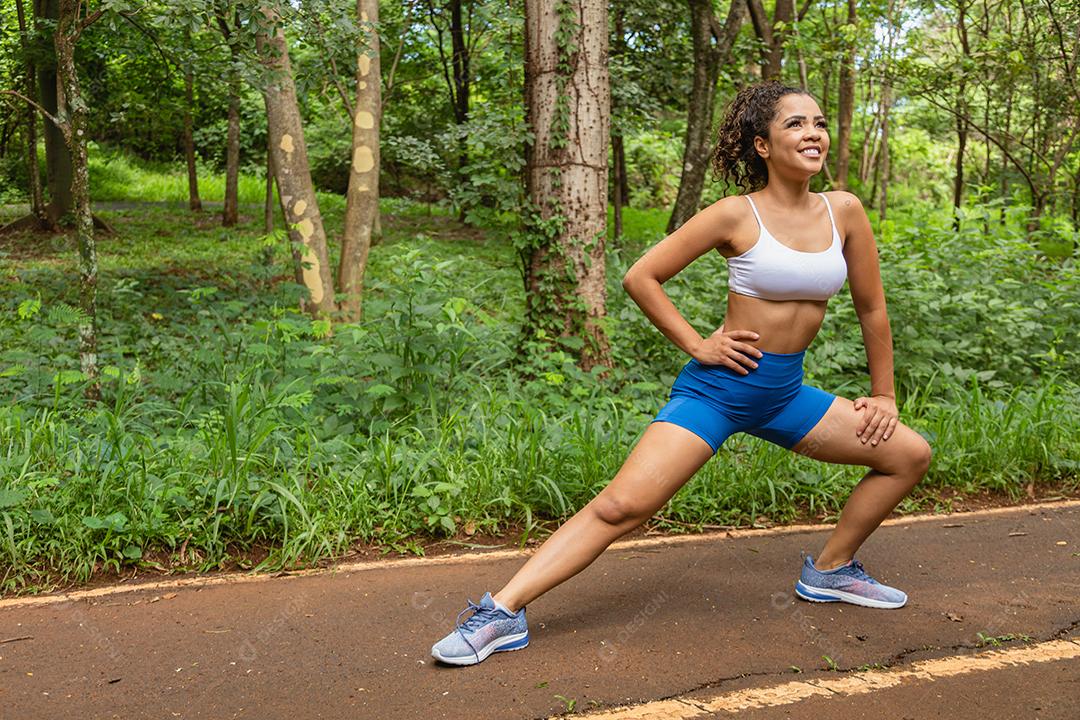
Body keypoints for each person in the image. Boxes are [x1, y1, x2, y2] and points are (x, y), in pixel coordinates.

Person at [430, 80, 933, 667]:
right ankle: (501, 611)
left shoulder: (842, 210)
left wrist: (883, 394)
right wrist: (698, 343)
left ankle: (830, 570)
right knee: (622, 506)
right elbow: (641, 277)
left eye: (819, 123)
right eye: (795, 124)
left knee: (908, 455)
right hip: (718, 392)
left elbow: (872, 308)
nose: (813, 133)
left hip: (784, 395)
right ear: (762, 145)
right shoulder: (735, 214)